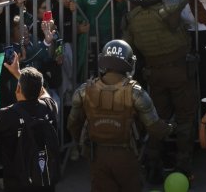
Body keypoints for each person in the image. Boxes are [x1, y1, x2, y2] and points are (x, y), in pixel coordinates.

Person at [123, 0, 198, 182]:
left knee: (157, 120)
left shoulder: (132, 17)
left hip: (153, 74)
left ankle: (153, 166)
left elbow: (128, 48)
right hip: (179, 71)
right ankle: (183, 166)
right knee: (185, 118)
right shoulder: (167, 7)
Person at [67, 39, 171, 191]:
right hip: (126, 156)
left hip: (97, 156)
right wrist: (171, 128)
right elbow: (154, 127)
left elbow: (72, 124)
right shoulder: (136, 93)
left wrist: (85, 147)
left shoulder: (84, 91)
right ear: (129, 63)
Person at [0, 59, 59, 192]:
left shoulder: (6, 115)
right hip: (46, 182)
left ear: (18, 88)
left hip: (18, 184)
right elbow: (43, 92)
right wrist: (19, 74)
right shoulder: (50, 106)